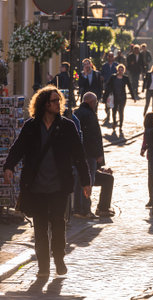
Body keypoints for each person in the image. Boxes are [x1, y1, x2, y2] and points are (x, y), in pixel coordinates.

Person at [3, 85, 91, 277]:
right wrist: (9, 166)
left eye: (58, 100)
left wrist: (86, 181)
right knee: (40, 228)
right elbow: (19, 148)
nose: (57, 104)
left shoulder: (67, 126)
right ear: (44, 104)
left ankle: (59, 258)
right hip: (36, 187)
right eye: (53, 101)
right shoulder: (31, 126)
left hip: (59, 186)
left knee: (59, 224)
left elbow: (79, 155)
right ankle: (43, 267)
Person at [74, 92, 104, 219]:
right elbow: (94, 136)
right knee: (87, 181)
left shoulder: (76, 113)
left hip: (78, 154)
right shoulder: (90, 115)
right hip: (89, 154)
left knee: (78, 182)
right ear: (91, 102)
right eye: (95, 103)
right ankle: (86, 210)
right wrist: (99, 154)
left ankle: (77, 208)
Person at [103, 64, 136, 132]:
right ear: (117, 70)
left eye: (122, 70)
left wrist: (133, 97)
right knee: (114, 111)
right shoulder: (113, 77)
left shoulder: (125, 78)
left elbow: (130, 87)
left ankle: (121, 126)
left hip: (122, 97)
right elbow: (108, 87)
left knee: (121, 112)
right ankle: (114, 123)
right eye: (119, 69)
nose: (120, 71)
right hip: (114, 97)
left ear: (124, 70)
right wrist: (105, 97)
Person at [100, 52, 118, 122]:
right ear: (107, 57)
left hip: (115, 86)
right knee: (106, 100)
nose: (110, 57)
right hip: (107, 85)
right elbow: (102, 75)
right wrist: (103, 78)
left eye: (112, 56)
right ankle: (107, 115)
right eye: (109, 56)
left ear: (114, 57)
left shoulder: (116, 65)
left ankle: (114, 115)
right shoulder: (104, 65)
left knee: (115, 100)